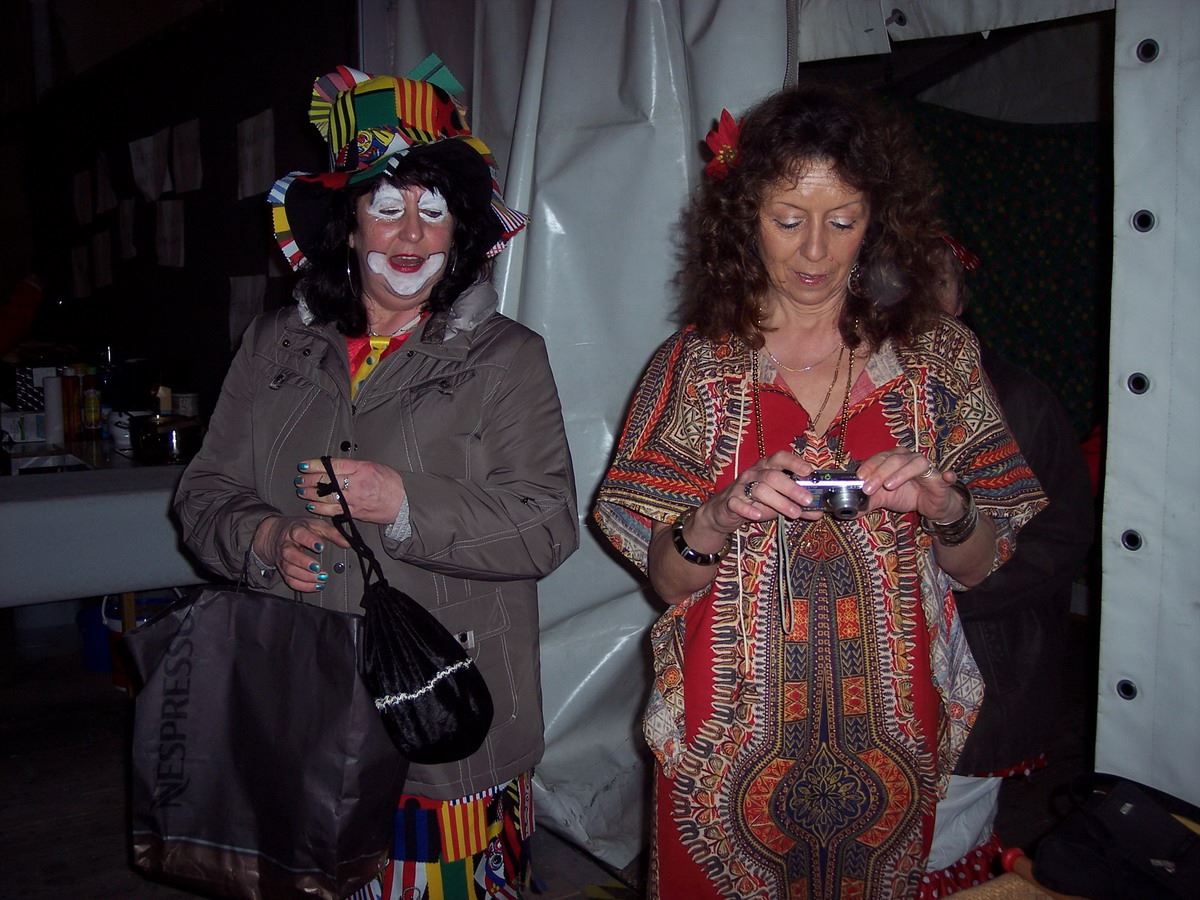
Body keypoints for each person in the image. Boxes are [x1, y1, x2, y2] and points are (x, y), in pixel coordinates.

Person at [593, 83, 1046, 899]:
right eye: (787, 219)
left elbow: (981, 564)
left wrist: (948, 509)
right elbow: (666, 578)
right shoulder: (696, 367)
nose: (814, 251)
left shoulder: (938, 360)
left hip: (888, 741)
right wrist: (716, 514)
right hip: (726, 741)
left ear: (878, 220)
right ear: (745, 218)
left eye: (842, 221)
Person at [174, 65, 578, 899]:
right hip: (303, 706)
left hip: (447, 713)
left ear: (460, 231)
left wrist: (403, 503)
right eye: (388, 207)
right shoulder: (274, 344)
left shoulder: (508, 358)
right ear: (350, 226)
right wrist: (264, 536)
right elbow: (204, 493)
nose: (411, 235)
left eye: (435, 211)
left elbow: (545, 526)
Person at [926, 236, 1094, 888]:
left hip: (983, 664)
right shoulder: (849, 390)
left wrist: (954, 596)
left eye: (936, 280)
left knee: (937, 846)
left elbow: (1062, 535)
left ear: (960, 297)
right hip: (872, 674)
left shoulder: (1018, 400)